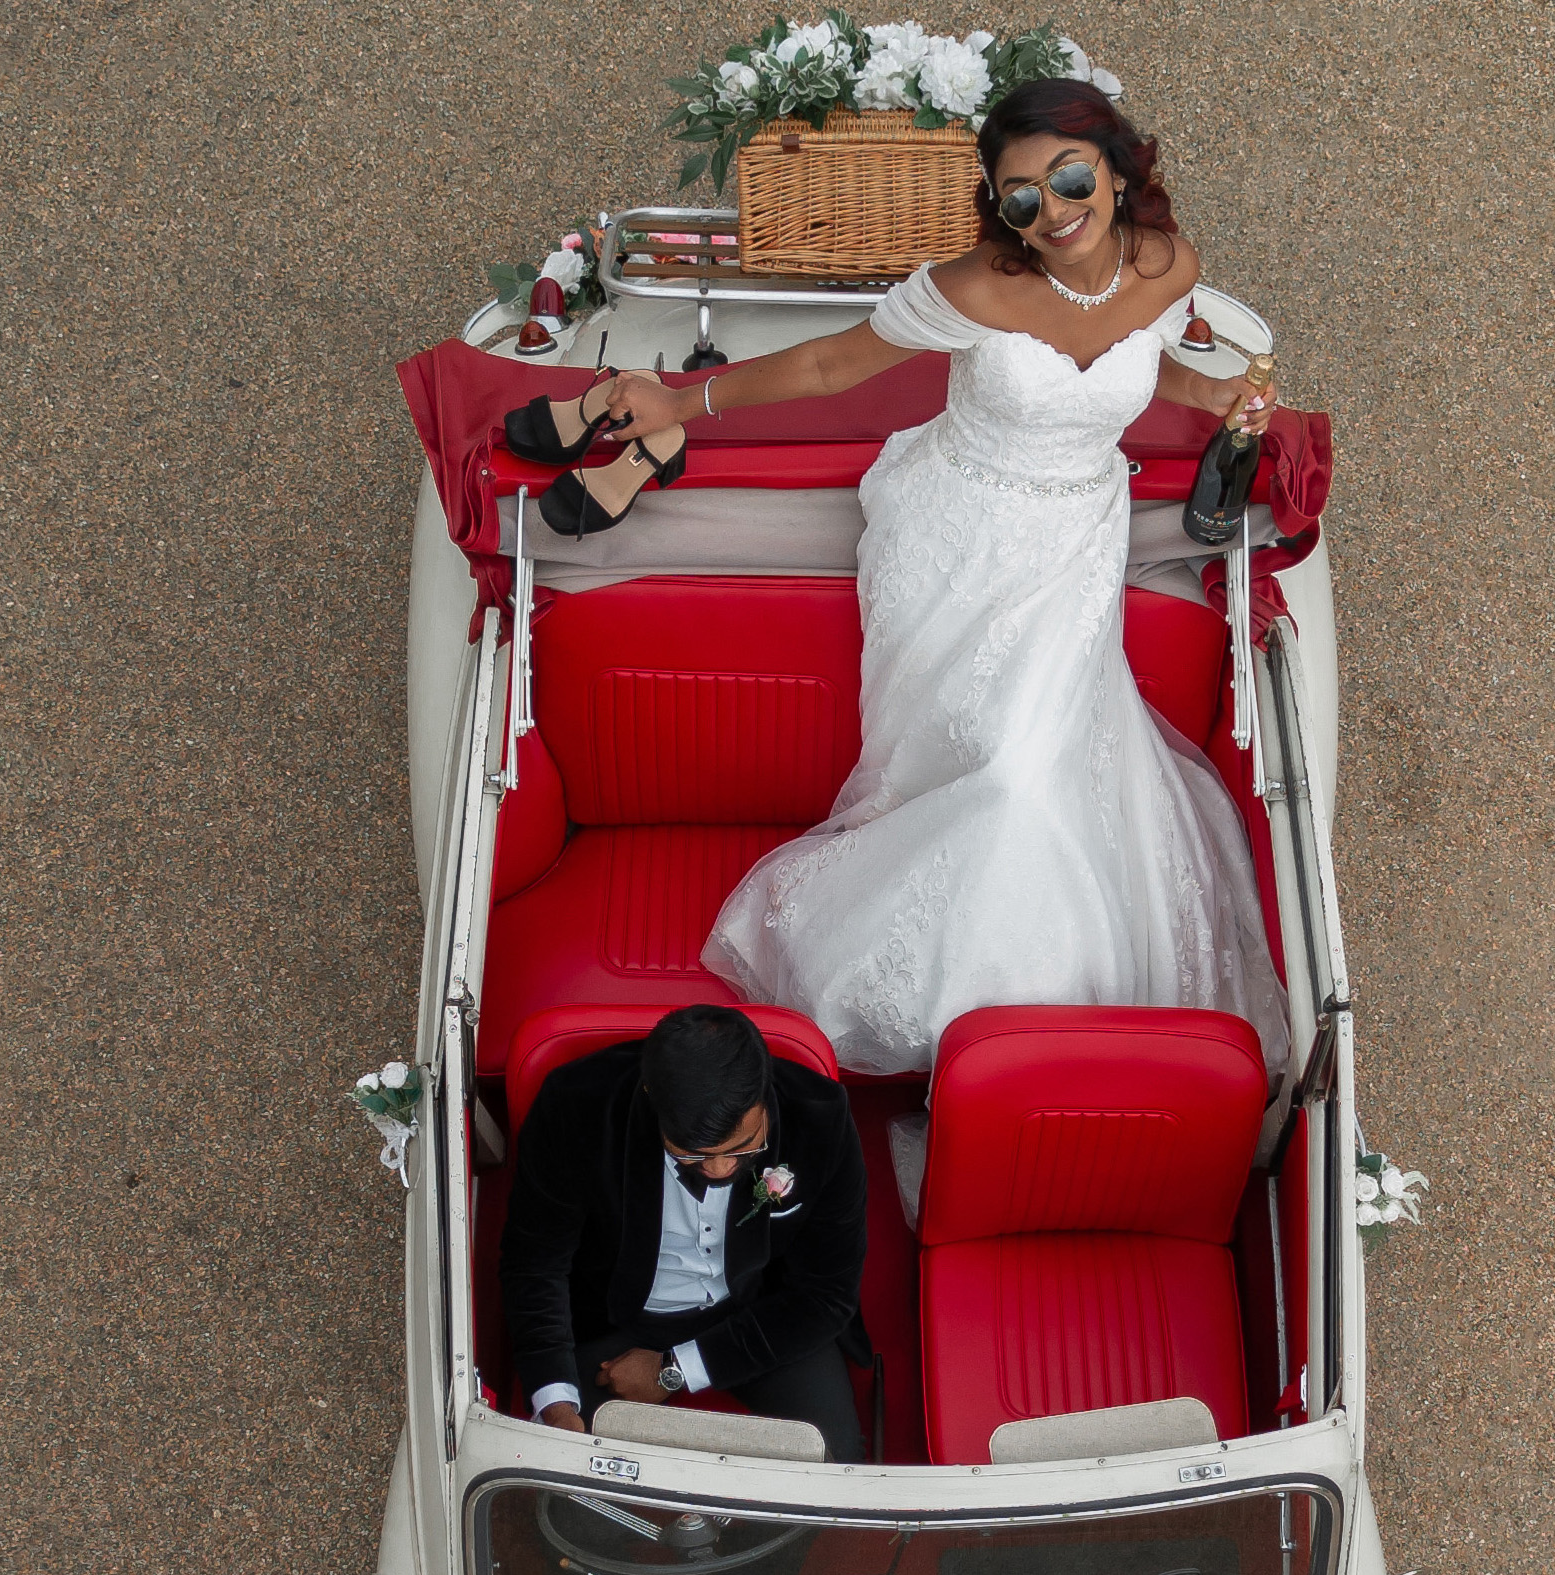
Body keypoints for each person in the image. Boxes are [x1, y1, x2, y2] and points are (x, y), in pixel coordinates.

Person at [546, 79, 1300, 1079]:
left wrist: (1219, 396)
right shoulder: (973, 290)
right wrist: (684, 401)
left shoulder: (1165, 267)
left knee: (1028, 770)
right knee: (966, 756)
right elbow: (825, 369)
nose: (1054, 211)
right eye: (1021, 196)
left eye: (1070, 178)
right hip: (953, 531)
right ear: (1000, 208)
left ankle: (1005, 1013)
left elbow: (1144, 362)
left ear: (1117, 170)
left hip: (1075, 536)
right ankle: (964, 1008)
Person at [497, 1004, 868, 1460]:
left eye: (741, 1149)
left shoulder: (821, 1119)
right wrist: (555, 1405)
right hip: (610, 1318)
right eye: (693, 1155)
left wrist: (675, 1370)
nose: (718, 1170)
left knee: (831, 1470)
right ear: (652, 1095)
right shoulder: (575, 1106)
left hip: (761, 1312)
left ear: (763, 1089)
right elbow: (535, 1264)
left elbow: (825, 1293)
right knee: (566, 1488)